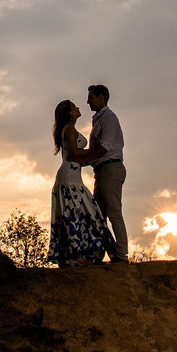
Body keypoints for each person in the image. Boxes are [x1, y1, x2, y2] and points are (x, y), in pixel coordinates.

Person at [49, 99, 112, 265]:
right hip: (70, 176)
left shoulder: (69, 129)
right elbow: (75, 153)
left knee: (77, 212)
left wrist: (89, 158)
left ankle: (78, 254)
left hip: (71, 173)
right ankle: (77, 255)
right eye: (74, 107)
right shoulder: (69, 129)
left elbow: (75, 156)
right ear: (69, 113)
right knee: (80, 212)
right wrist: (98, 151)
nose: (78, 108)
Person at [85, 84, 129, 263]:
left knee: (112, 211)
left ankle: (121, 254)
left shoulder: (109, 118)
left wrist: (83, 160)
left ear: (101, 97)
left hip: (110, 166)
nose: (88, 101)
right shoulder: (99, 119)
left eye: (91, 97)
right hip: (102, 170)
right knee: (99, 213)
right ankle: (98, 253)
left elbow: (106, 146)